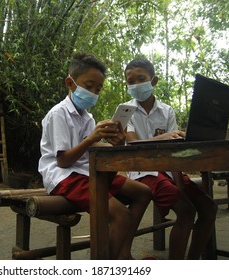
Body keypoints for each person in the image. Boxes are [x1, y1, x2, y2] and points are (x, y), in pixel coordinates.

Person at [38, 53, 152, 260]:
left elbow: (94, 146)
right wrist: (92, 139)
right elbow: (63, 160)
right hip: (63, 177)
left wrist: (112, 142)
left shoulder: (87, 116)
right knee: (121, 215)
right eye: (88, 86)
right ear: (70, 83)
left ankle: (121, 252)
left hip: (86, 172)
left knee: (143, 192)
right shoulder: (58, 114)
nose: (93, 93)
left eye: (97, 89)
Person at [121, 57, 218, 259]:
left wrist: (179, 181)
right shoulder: (126, 110)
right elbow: (131, 143)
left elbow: (173, 150)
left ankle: (192, 261)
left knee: (209, 209)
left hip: (168, 170)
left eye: (141, 78)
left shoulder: (167, 111)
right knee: (186, 211)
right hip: (143, 172)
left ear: (153, 81)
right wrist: (163, 136)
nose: (136, 84)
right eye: (131, 81)